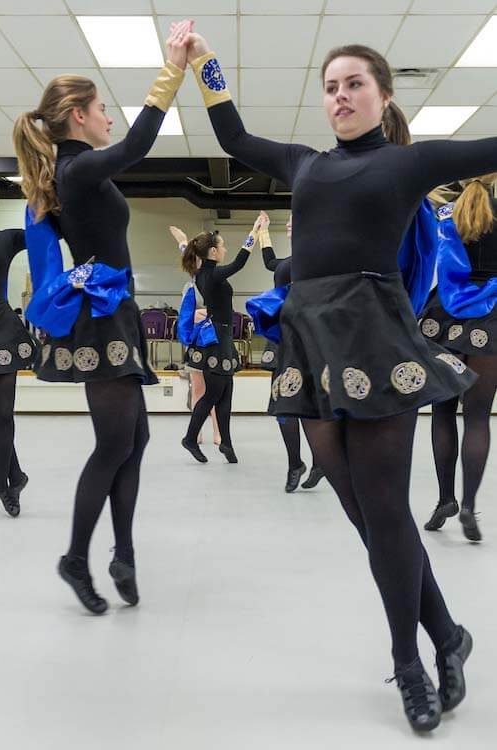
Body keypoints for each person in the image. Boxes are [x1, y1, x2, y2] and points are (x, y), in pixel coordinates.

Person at [181, 29, 497, 731]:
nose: (341, 95)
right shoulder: (303, 165)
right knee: (363, 514)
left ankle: (410, 662)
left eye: (355, 83)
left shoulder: (410, 164)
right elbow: (232, 133)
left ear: (383, 98)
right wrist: (198, 60)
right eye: (331, 87)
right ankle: (448, 633)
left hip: (379, 340)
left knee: (385, 512)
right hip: (310, 343)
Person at [13, 19, 192, 615]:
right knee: (114, 442)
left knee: (134, 439)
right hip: (100, 319)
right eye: (101, 109)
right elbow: (136, 146)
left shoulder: (71, 173)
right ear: (79, 116)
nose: (109, 118)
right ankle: (75, 557)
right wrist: (173, 71)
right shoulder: (78, 168)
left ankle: (124, 553)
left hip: (113, 313)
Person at [422, 174, 497, 542]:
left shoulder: (443, 216)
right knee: (478, 417)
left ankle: (445, 499)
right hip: (492, 321)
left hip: (444, 322)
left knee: (442, 412)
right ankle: (468, 504)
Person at [180, 217, 261, 464]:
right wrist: (254, 233)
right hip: (217, 338)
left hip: (220, 336)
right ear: (213, 251)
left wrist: (183, 243)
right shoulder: (212, 274)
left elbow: (190, 253)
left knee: (225, 394)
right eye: (222, 245)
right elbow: (239, 262)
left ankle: (226, 443)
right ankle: (190, 438)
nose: (225, 249)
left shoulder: (202, 273)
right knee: (214, 394)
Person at [259, 211, 324, 492]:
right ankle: (305, 462)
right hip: (298, 340)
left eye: (293, 220)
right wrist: (263, 232)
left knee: (296, 404)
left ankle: (306, 462)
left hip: (301, 340)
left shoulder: (310, 262)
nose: (288, 222)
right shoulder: (290, 263)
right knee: (294, 403)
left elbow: (276, 265)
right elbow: (271, 262)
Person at [170, 224, 221, 445]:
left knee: (217, 389)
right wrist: (182, 240)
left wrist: (182, 240)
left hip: (215, 337)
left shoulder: (215, 276)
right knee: (198, 387)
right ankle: (197, 430)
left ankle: (219, 432)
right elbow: (185, 315)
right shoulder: (191, 283)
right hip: (197, 339)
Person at [0, 229, 35, 517]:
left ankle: (1, 486)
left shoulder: (4, 239)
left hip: (3, 334)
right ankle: (16, 477)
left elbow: (46, 233)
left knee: (3, 415)